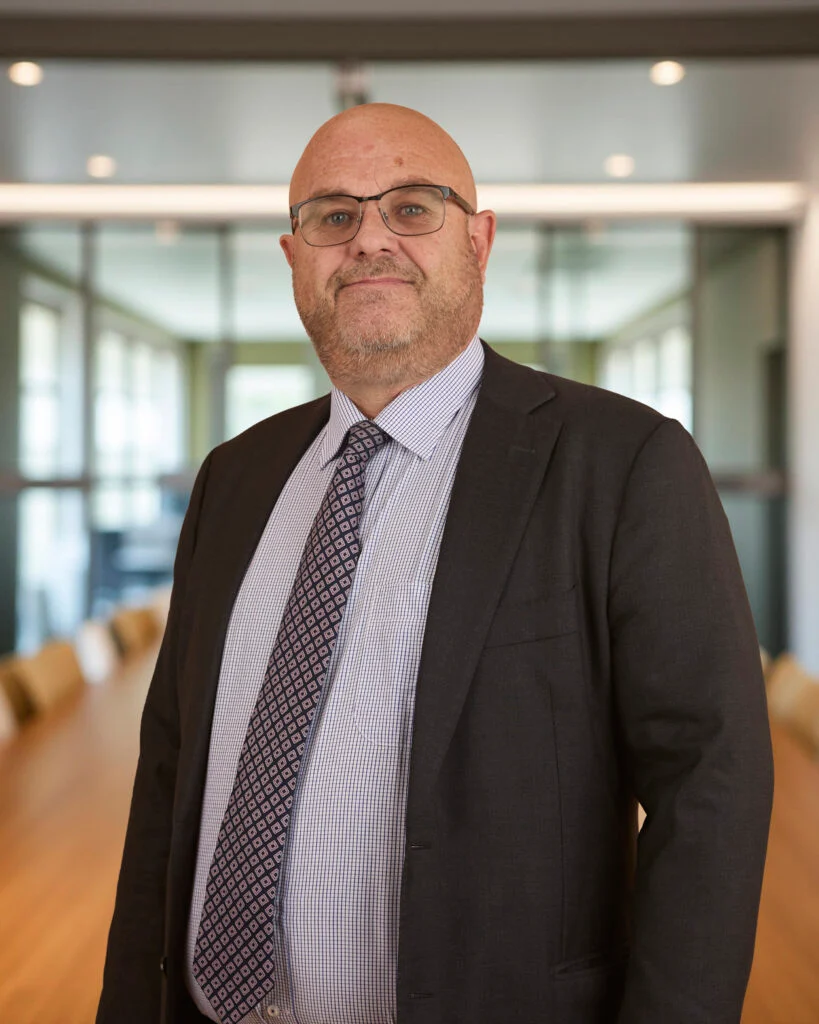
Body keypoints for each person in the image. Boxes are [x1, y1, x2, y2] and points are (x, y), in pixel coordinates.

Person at [97, 103, 773, 1024]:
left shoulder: (623, 462)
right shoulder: (235, 476)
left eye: (412, 207)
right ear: (294, 258)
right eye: (333, 216)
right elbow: (170, 771)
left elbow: (710, 783)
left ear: (478, 242)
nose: (369, 239)